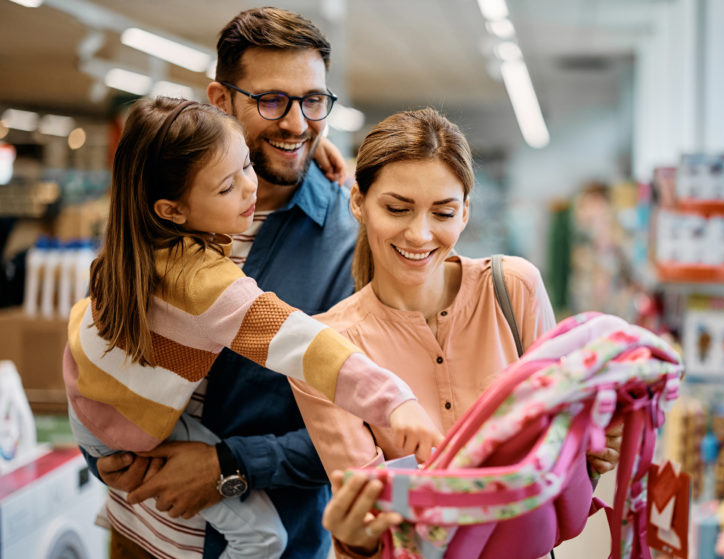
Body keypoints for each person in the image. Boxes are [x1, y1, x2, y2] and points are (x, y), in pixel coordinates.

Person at [67, 97, 442, 559]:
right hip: (127, 439)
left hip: (91, 402)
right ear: (173, 209)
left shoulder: (133, 242)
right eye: (228, 185)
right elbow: (307, 346)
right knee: (264, 538)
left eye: (247, 164)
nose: (251, 187)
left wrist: (316, 152)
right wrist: (395, 400)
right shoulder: (206, 283)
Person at [288, 107, 622, 558]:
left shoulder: (514, 289)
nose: (420, 234)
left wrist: (589, 449)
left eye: (442, 212)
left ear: (465, 212)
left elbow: (558, 459)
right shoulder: (329, 350)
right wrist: (359, 539)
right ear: (358, 202)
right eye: (397, 208)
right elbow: (373, 523)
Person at [90, 8, 363, 559]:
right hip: (137, 532)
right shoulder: (161, 208)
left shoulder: (349, 241)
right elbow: (105, 338)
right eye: (271, 100)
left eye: (312, 100)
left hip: (260, 539)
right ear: (220, 100)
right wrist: (100, 448)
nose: (296, 123)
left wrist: (230, 465)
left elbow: (366, 428)